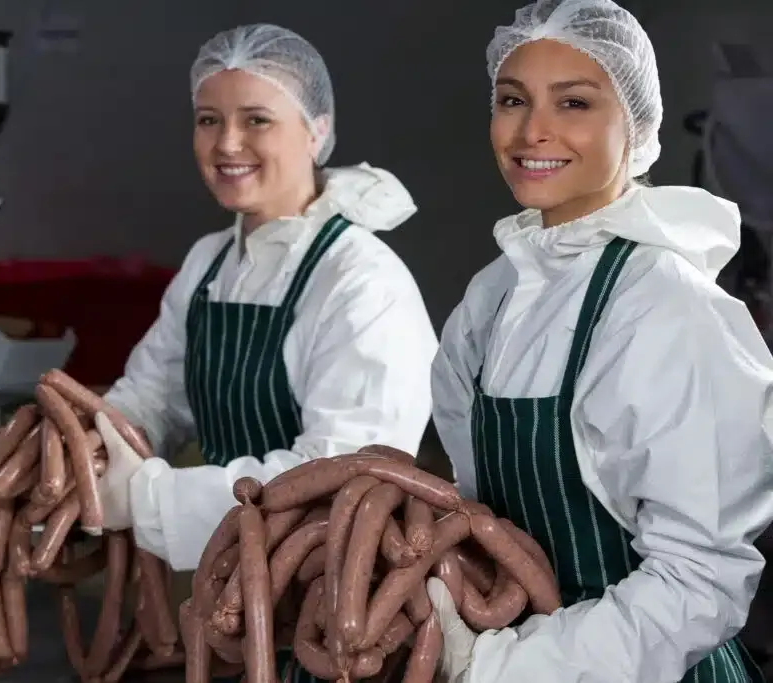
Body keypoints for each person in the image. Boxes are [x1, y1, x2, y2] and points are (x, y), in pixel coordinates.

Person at [425, 1, 773, 682]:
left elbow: (697, 583)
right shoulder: (493, 297)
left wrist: (506, 667)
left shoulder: (670, 308)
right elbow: (477, 503)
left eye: (575, 103)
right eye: (512, 99)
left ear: (637, 126)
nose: (533, 130)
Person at [90, 22, 437, 681]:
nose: (227, 144)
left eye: (256, 119)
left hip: (339, 620)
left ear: (316, 130)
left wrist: (152, 501)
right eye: (208, 119)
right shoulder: (211, 261)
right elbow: (153, 391)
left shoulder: (361, 281)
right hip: (230, 609)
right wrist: (92, 442)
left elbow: (336, 477)